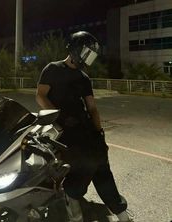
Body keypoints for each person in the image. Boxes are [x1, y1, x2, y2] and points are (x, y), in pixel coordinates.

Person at [36, 31, 133, 222]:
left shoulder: (83, 78)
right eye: (87, 53)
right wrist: (57, 117)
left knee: (101, 163)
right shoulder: (52, 69)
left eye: (92, 55)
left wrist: (99, 132)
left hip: (85, 127)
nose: (89, 58)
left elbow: (92, 108)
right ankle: (72, 196)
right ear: (75, 49)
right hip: (63, 128)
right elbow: (40, 95)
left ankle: (119, 210)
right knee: (85, 164)